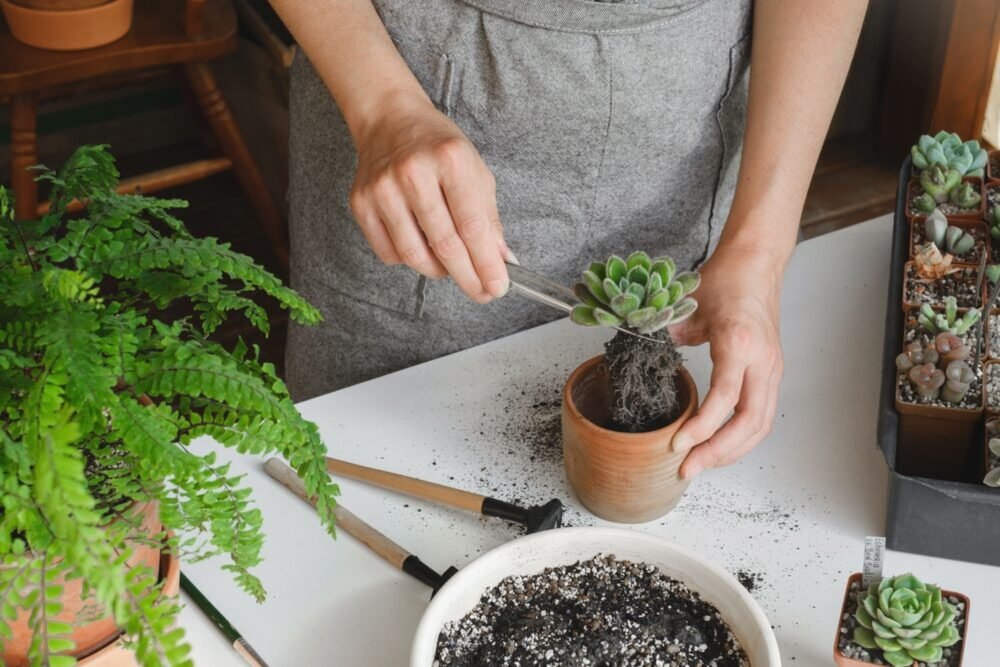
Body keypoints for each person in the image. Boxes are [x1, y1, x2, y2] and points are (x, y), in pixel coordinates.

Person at [269, 0, 867, 479]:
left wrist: (759, 253)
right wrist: (382, 109)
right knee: (360, 466)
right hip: (406, 106)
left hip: (684, 117)